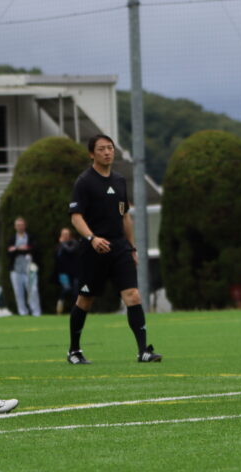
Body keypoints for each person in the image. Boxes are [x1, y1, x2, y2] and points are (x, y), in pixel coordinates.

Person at [67, 134, 162, 364]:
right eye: (101, 149)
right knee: (85, 300)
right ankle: (74, 351)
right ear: (92, 154)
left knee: (133, 295)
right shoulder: (84, 182)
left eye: (110, 148)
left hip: (120, 248)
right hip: (93, 250)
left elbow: (125, 216)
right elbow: (76, 217)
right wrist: (92, 238)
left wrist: (132, 248)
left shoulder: (119, 181)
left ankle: (143, 351)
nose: (107, 152)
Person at [7, 216, 41, 316]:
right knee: (18, 293)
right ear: (15, 227)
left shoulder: (31, 237)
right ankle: (22, 312)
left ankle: (36, 312)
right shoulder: (12, 238)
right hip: (16, 270)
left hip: (30, 269)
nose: (20, 227)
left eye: (21, 225)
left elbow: (34, 249)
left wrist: (17, 249)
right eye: (18, 225)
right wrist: (19, 249)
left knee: (33, 291)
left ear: (25, 226)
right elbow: (9, 252)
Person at [55, 227, 79, 313]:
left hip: (74, 272)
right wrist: (61, 244)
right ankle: (60, 305)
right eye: (63, 234)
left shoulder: (74, 243)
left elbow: (70, 251)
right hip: (63, 272)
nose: (65, 236)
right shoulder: (59, 245)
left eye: (66, 234)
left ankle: (75, 310)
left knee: (76, 292)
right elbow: (57, 256)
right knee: (66, 289)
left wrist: (63, 243)